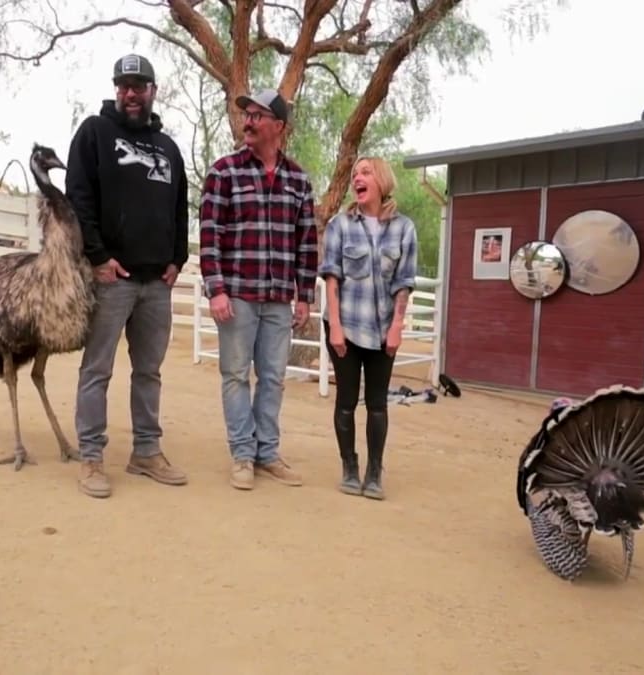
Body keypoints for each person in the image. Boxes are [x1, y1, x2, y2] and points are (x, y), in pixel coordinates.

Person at [64, 53, 190, 499]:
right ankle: (92, 456)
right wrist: (97, 256)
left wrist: (179, 259)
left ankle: (146, 452)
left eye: (139, 85)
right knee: (97, 368)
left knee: (149, 371)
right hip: (112, 277)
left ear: (153, 91)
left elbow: (179, 207)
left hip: (157, 281)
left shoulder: (169, 148)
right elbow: (78, 196)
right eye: (123, 86)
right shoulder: (95, 133)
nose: (130, 93)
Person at [198, 88, 318, 491]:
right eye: (246, 115)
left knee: (273, 377)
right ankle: (242, 455)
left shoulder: (299, 180)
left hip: (279, 299)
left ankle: (267, 452)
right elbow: (210, 235)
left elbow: (307, 242)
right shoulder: (224, 172)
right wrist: (216, 289)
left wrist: (305, 296)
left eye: (258, 115)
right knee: (235, 375)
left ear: (279, 126)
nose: (248, 121)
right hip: (237, 295)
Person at [318, 156, 418, 500]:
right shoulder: (339, 225)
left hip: (382, 330)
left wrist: (397, 327)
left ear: (382, 180)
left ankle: (374, 471)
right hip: (345, 325)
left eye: (365, 172)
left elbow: (403, 282)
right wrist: (335, 328)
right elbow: (331, 279)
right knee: (346, 401)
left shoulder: (404, 228)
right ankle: (349, 466)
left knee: (377, 403)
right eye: (355, 173)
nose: (357, 179)